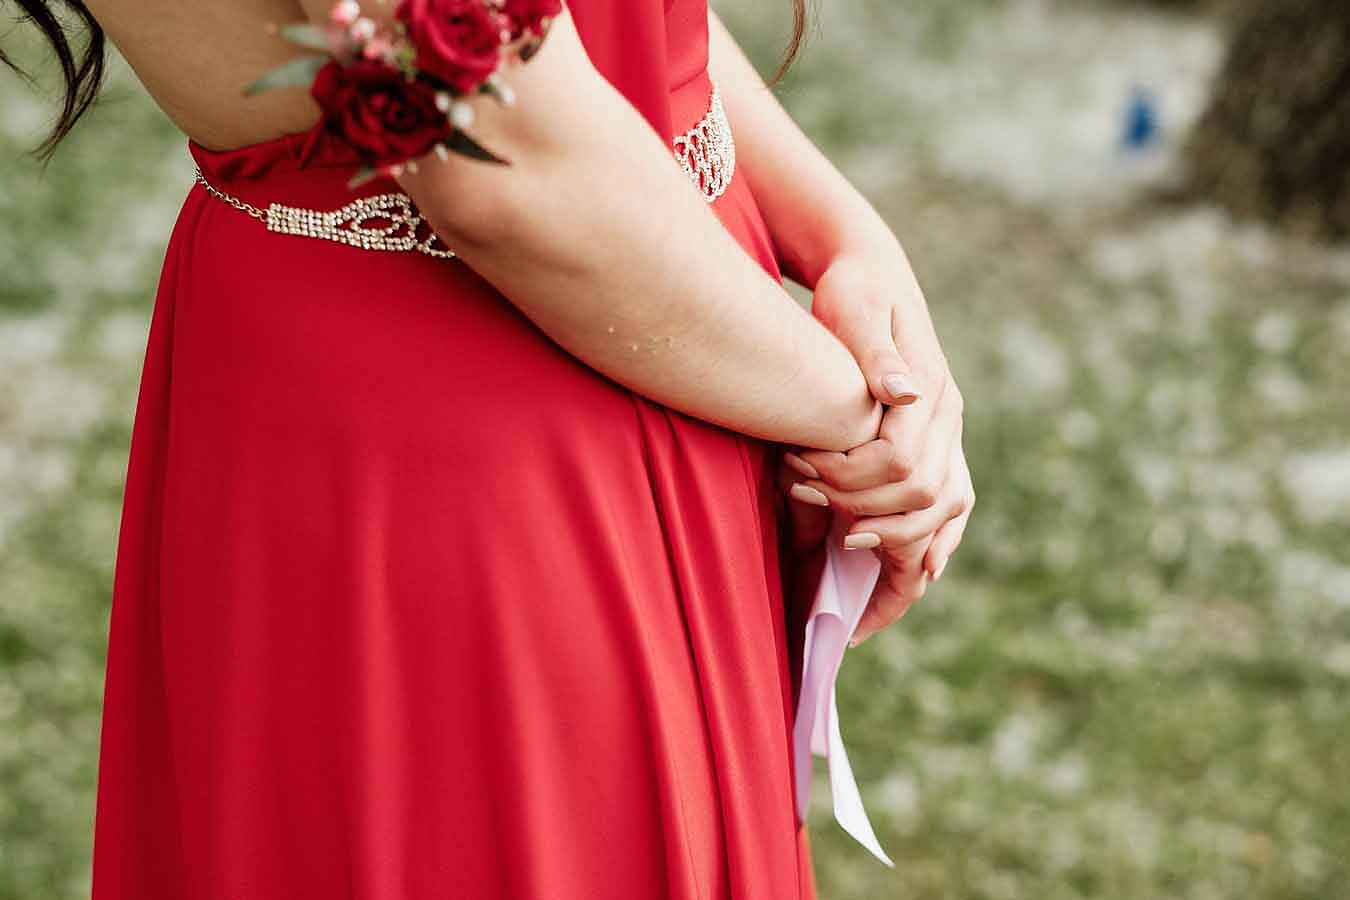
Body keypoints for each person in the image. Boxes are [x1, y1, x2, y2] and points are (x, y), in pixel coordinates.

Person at [6, 0, 973, 895]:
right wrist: (864, 418)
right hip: (466, 448)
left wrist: (848, 242)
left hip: (666, 337)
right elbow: (505, 162)